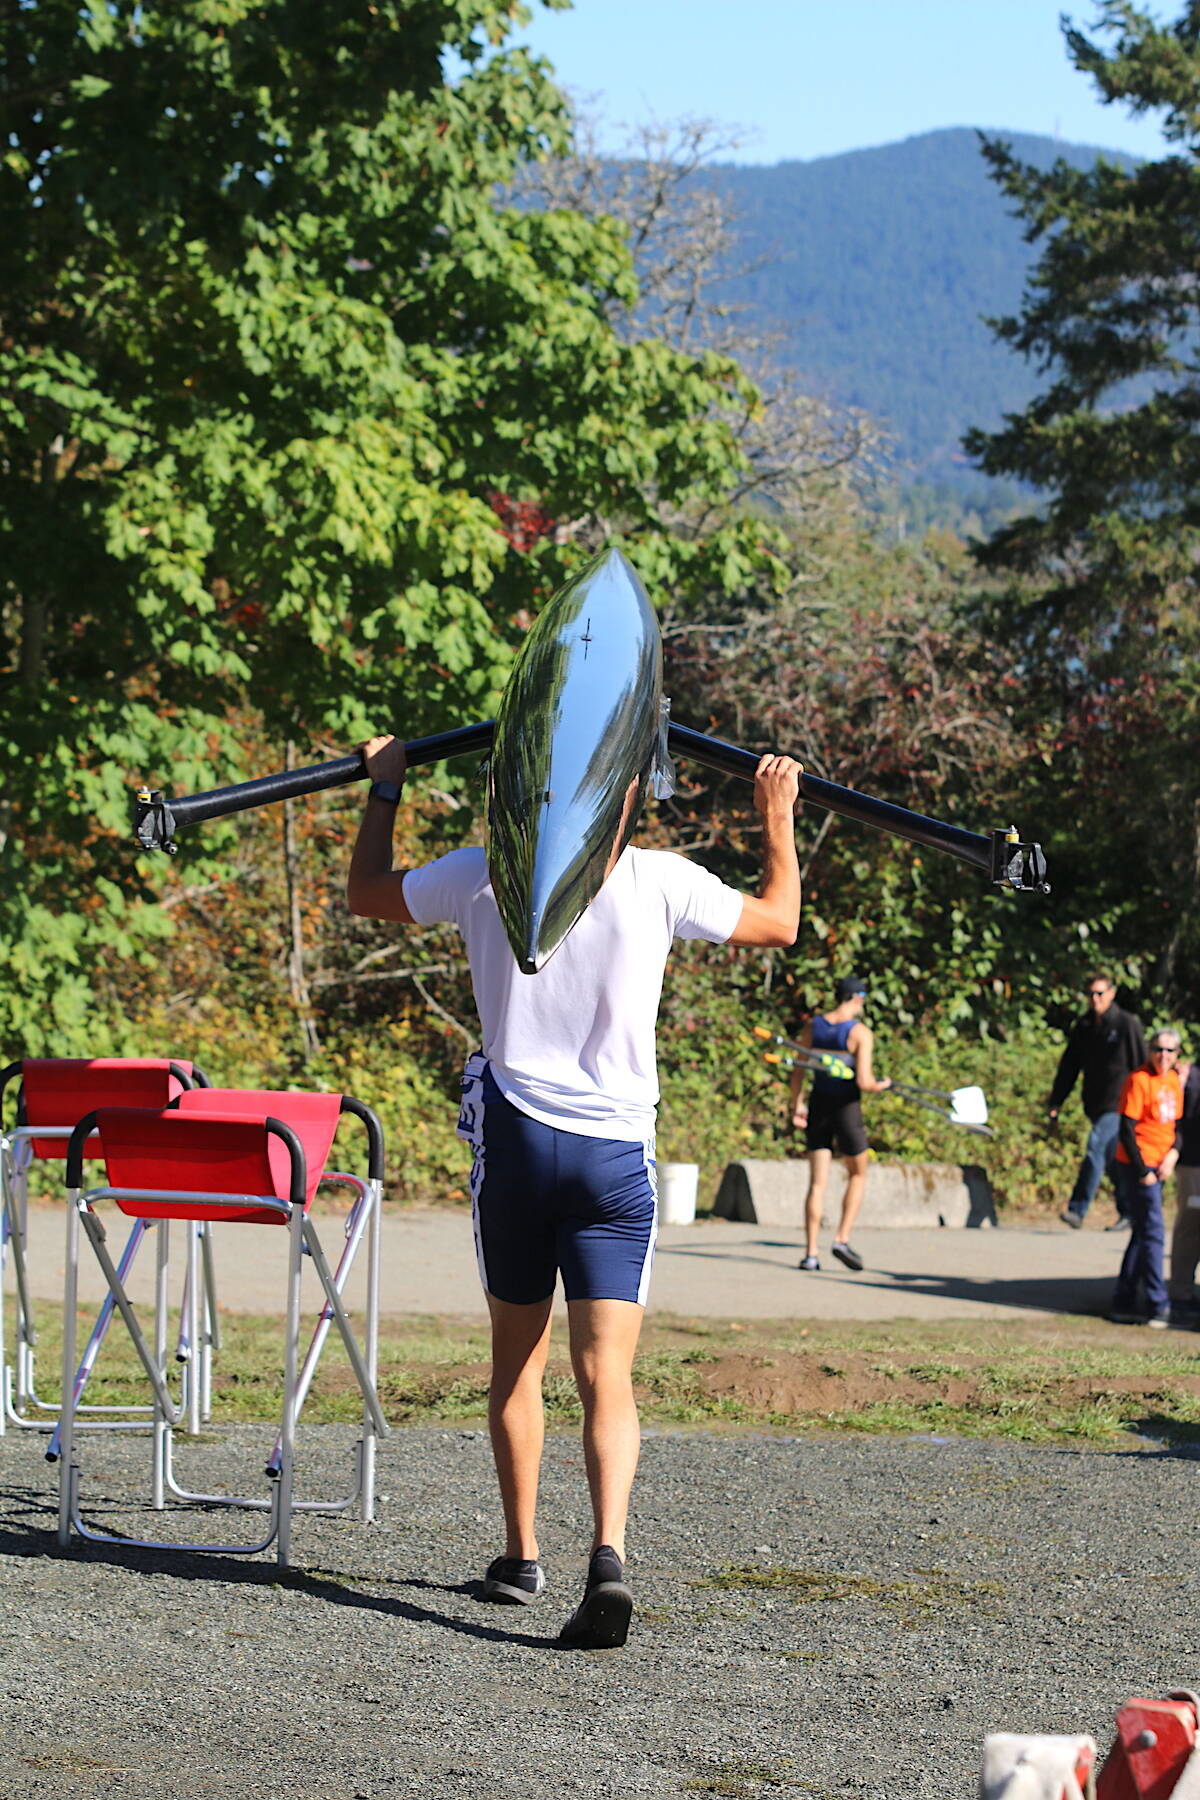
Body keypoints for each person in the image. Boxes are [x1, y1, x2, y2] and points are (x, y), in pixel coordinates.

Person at [346, 732, 803, 1650]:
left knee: (516, 1360)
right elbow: (779, 921)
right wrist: (776, 819)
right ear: (624, 799)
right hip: (614, 1162)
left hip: (518, 1146)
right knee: (608, 1376)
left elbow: (365, 894)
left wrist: (387, 788)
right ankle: (610, 1554)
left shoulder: (482, 873)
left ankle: (521, 1558)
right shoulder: (661, 879)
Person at [788, 976, 891, 1274]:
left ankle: (811, 1254)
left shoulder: (814, 1026)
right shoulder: (860, 1033)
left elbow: (798, 1070)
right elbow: (864, 1081)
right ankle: (842, 1239)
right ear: (857, 998)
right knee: (858, 1174)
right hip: (846, 1110)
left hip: (818, 1106)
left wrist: (797, 1104)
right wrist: (881, 1085)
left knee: (817, 1184)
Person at [1047, 972, 1146, 1230]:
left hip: (1121, 1103)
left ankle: (1077, 1210)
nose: (1095, 999)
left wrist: (1145, 1104)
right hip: (1095, 1103)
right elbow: (1069, 1066)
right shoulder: (1085, 1027)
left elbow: (1141, 1064)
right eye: (1091, 994)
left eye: (1100, 993)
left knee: (1095, 1147)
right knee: (1113, 1161)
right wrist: (1057, 1101)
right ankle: (1130, 1211)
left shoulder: (1127, 1024)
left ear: (1112, 994)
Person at [1108, 1029, 1184, 1328]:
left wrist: (1172, 1154)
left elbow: (1174, 1125)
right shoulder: (1139, 1080)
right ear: (1149, 1050)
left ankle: (1123, 1300)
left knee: (1142, 1232)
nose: (1163, 1056)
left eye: (1169, 1051)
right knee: (1154, 1232)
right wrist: (1143, 1172)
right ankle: (1157, 1304)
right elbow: (1126, 1130)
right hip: (1138, 1166)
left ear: (1177, 1054)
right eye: (1158, 1050)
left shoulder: (1174, 1081)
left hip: (1160, 1164)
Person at [1166, 1051, 1200, 1325]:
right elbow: (1181, 1120)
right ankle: (1181, 1295)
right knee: (1191, 1226)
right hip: (1193, 1165)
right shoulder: (1191, 1077)